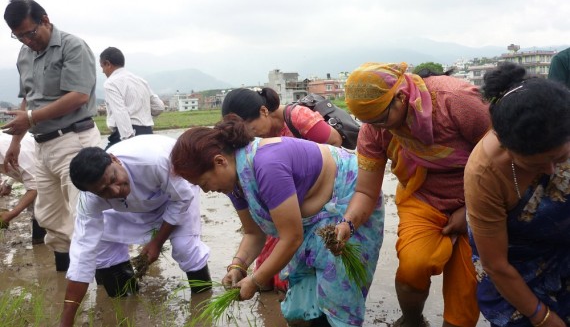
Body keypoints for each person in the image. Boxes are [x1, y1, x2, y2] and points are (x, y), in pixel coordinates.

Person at [170, 114, 384, 327]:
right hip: (311, 217)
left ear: (219, 161)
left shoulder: (267, 165)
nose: (206, 191)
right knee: (303, 309)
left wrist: (255, 280)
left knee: (337, 302)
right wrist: (238, 265)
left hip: (348, 200)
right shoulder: (235, 181)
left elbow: (292, 238)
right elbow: (253, 233)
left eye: (203, 183)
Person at [336, 62, 490, 327]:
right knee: (412, 267)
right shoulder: (374, 130)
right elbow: (366, 190)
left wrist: (471, 212)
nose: (378, 128)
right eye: (369, 121)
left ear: (401, 97)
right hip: (423, 195)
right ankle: (412, 320)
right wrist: (348, 223)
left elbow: (505, 158)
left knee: (466, 288)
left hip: (481, 196)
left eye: (382, 118)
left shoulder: (455, 100)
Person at [60, 135, 211, 327]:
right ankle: (128, 306)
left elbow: (181, 198)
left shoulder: (155, 160)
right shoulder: (90, 199)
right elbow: (83, 254)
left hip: (172, 197)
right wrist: (66, 319)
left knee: (185, 248)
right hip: (127, 207)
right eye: (104, 191)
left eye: (114, 179)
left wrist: (157, 242)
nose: (115, 191)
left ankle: (204, 303)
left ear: (114, 159)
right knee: (103, 250)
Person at [465, 62, 570, 326]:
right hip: (514, 267)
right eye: (534, 164)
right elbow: (496, 265)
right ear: (505, 145)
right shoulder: (485, 173)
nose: (550, 170)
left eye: (560, 158)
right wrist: (543, 318)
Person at [2, 0, 101, 272]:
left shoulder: (72, 46)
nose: (26, 41)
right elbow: (28, 101)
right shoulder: (24, 55)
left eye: (30, 33)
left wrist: (32, 118)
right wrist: (16, 142)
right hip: (43, 145)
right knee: (50, 216)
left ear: (45, 19)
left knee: (85, 213)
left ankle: (114, 284)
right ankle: (65, 281)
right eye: (18, 36)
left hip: (74, 139)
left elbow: (79, 96)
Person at [222, 87, 344, 292]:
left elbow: (335, 142)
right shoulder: (253, 147)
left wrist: (302, 168)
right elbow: (255, 231)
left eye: (249, 129)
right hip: (284, 199)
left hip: (317, 193)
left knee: (292, 273)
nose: (246, 137)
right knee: (267, 277)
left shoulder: (297, 117)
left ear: (263, 112)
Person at [99, 47, 165, 149]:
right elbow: (159, 107)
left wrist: (129, 143)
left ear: (108, 64)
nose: (103, 71)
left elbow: (120, 112)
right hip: (148, 133)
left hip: (128, 135)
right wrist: (144, 114)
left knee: (100, 164)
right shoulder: (140, 80)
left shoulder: (110, 83)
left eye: (102, 66)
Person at [0, 133, 45, 243]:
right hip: (35, 168)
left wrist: (12, 214)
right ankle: (39, 238)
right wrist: (8, 183)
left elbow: (35, 187)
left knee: (44, 206)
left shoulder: (13, 152)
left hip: (54, 167)